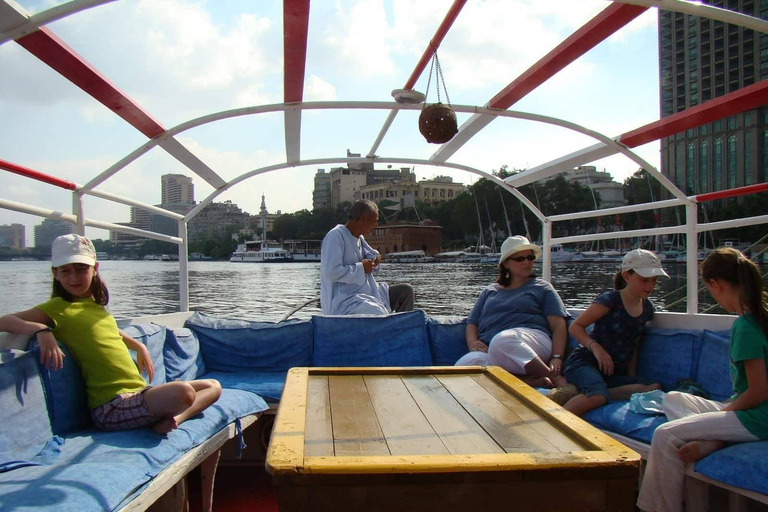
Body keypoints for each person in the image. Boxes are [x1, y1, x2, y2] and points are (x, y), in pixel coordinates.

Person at [0, 234, 221, 435]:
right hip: (110, 406)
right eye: (66, 271)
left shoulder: (96, 307)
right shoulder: (58, 307)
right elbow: (4, 321)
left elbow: (109, 331)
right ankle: (170, 415)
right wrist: (41, 329)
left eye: (81, 269)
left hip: (138, 394)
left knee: (213, 386)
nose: (74, 277)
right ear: (55, 274)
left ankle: (174, 419)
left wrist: (138, 345)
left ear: (94, 268)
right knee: (183, 391)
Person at [637, 248, 768, 512]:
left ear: (716, 284)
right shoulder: (760, 317)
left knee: (664, 435)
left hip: (758, 418)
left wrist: (724, 412)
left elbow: (758, 391)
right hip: (752, 411)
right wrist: (722, 414)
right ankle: (715, 439)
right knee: (673, 399)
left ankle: (658, 508)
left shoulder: (745, 327)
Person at [454, 235, 569, 389]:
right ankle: (529, 381)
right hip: (492, 348)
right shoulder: (489, 291)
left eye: (530, 257)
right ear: (506, 263)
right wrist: (472, 342)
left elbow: (558, 324)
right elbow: (472, 322)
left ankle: (555, 379)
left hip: (530, 341)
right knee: (463, 367)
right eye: (520, 258)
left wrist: (557, 357)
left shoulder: (542, 287)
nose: (527, 262)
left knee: (503, 341)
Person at [562, 249, 665, 415]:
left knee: (653, 387)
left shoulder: (647, 308)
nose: (651, 286)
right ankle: (554, 423)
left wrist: (630, 375)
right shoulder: (610, 300)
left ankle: (588, 392)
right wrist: (597, 349)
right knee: (597, 396)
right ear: (627, 276)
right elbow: (575, 327)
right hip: (585, 362)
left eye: (654, 280)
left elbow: (635, 342)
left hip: (612, 372)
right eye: (645, 280)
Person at [320, 199, 414, 315]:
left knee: (406, 291)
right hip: (344, 302)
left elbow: (368, 261)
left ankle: (404, 329)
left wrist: (373, 261)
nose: (376, 226)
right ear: (363, 219)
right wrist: (361, 268)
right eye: (374, 221)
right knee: (377, 311)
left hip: (365, 294)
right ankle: (391, 328)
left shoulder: (360, 238)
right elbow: (331, 272)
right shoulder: (335, 236)